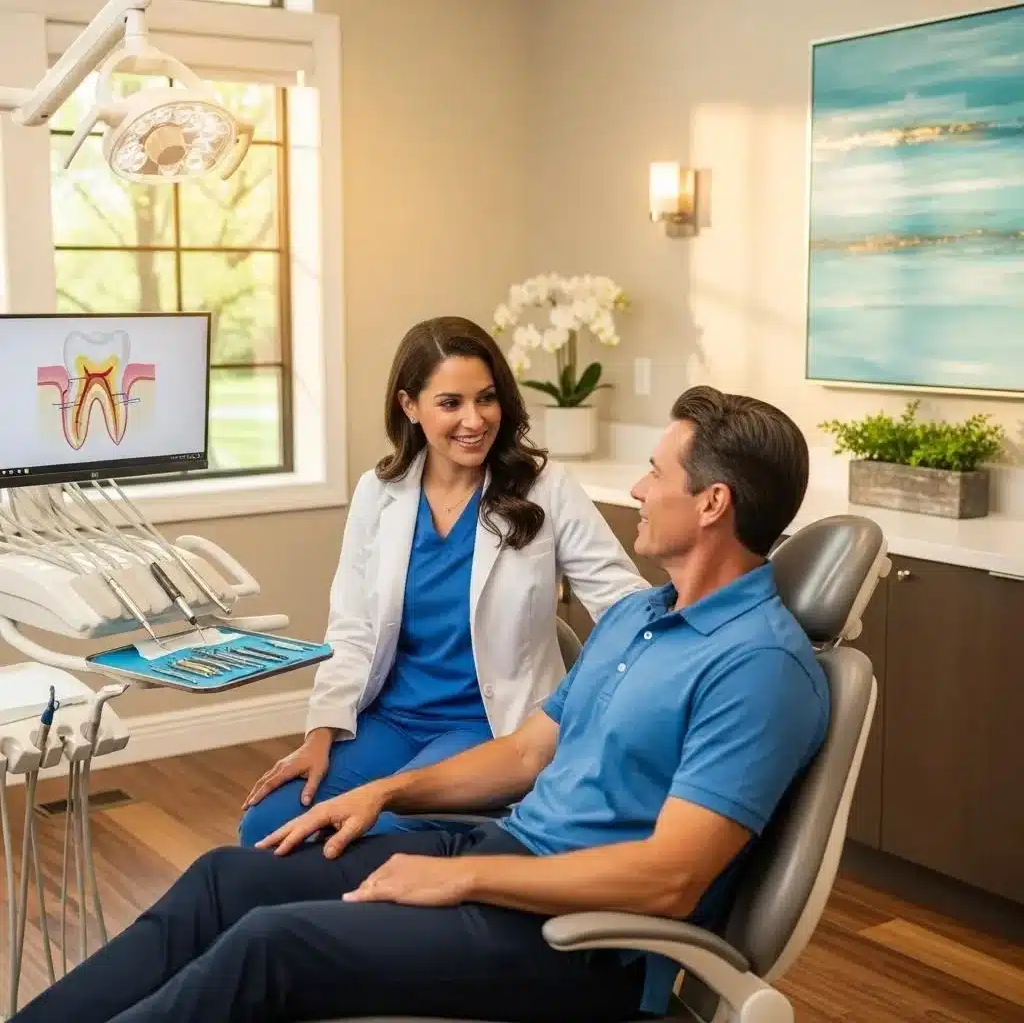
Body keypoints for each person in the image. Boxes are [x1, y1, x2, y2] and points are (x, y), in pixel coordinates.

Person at [14, 386, 830, 1023]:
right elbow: (524, 754)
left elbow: (669, 881)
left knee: (272, 945)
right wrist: (381, 793)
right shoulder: (640, 619)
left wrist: (460, 880)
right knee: (227, 880)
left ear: (713, 503)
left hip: (579, 940)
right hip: (506, 854)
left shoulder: (756, 668)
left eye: (658, 473)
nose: (641, 489)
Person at [238, 315, 646, 846]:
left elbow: (622, 602)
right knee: (267, 825)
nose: (474, 420)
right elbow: (353, 630)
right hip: (389, 720)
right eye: (450, 403)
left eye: (487, 399)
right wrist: (319, 736)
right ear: (410, 406)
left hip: (487, 728)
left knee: (375, 833)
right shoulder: (378, 492)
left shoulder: (546, 488)